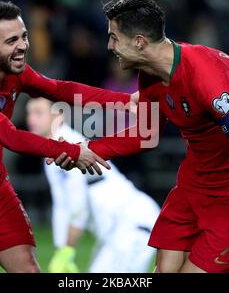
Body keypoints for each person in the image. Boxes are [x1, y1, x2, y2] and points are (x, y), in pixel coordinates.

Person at [50, 0, 229, 273]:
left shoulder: (207, 75)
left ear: (140, 41)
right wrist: (85, 148)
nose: (109, 46)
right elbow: (146, 135)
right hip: (192, 186)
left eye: (114, 38)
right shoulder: (150, 75)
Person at [0, 0, 133, 273]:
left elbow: (59, 89)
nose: (22, 46)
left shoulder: (15, 71)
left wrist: (126, 101)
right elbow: (10, 137)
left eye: (24, 36)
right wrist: (72, 151)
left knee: (29, 270)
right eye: (11, 40)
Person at [27, 97, 160, 272]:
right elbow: (62, 204)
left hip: (131, 224)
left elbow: (77, 205)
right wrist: (61, 248)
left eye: (38, 113)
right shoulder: (52, 151)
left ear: (58, 115)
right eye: (29, 113)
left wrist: (67, 249)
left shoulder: (69, 145)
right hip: (117, 231)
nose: (31, 119)